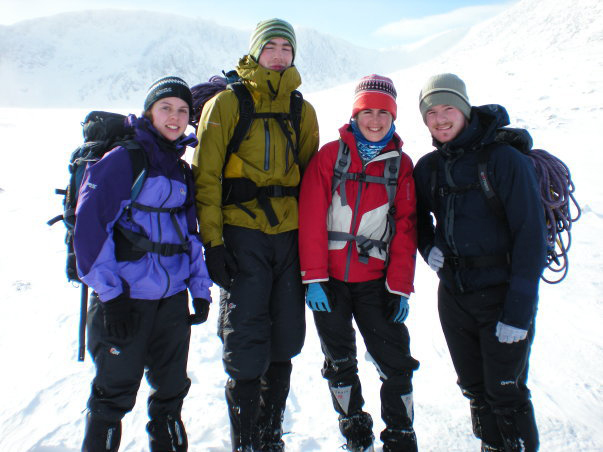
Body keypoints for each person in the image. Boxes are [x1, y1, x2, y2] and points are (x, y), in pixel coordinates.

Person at [192, 18, 319, 451]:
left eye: (287, 47)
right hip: (242, 234)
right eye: (272, 46)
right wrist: (213, 243)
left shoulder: (302, 110)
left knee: (284, 340)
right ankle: (246, 443)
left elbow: (311, 181)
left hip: (288, 238)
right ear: (256, 51)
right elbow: (206, 178)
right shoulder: (226, 105)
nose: (280, 55)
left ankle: (270, 437)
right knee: (246, 344)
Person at [74, 76, 212, 452]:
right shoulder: (124, 160)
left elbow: (190, 234)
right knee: (111, 397)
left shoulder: (181, 168)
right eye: (166, 107)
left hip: (171, 302)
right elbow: (89, 231)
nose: (175, 117)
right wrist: (111, 295)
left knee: (170, 396)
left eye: (183, 110)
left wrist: (199, 289)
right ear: (149, 111)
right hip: (125, 300)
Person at [413, 73, 546, 451]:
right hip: (454, 294)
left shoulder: (504, 161)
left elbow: (530, 237)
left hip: (502, 295)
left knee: (506, 392)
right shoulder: (428, 168)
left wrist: (519, 311)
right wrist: (427, 247)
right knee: (473, 388)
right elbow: (415, 217)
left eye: (448, 108)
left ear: (465, 109)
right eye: (431, 113)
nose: (440, 119)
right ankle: (491, 445)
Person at [299, 74, 419, 452]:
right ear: (355, 114)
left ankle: (400, 436)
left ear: (393, 117)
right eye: (367, 111)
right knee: (339, 363)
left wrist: (399, 287)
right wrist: (314, 277)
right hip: (330, 281)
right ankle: (355, 432)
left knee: (396, 362)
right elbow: (312, 217)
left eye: (384, 113)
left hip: (375, 282)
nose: (375, 120)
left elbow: (406, 228)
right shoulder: (329, 156)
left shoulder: (401, 165)